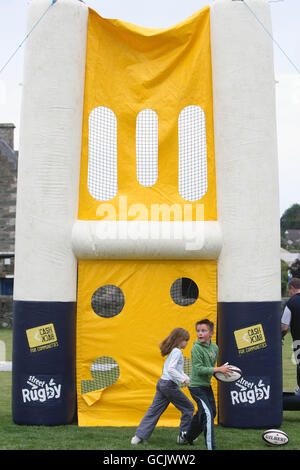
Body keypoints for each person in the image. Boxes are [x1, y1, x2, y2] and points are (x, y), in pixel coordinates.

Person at [131, 327, 195, 445]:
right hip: (169, 385)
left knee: (154, 411)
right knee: (189, 408)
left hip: (162, 383)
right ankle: (184, 437)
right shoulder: (177, 352)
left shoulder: (173, 351)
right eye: (186, 340)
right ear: (180, 339)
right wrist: (184, 380)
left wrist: (188, 379)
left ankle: (138, 437)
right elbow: (171, 369)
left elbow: (177, 370)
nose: (187, 343)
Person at [178, 319, 232, 450]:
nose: (200, 333)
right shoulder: (196, 348)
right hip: (196, 387)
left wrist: (221, 372)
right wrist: (218, 369)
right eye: (198, 331)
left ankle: (187, 437)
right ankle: (210, 447)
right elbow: (199, 369)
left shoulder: (215, 347)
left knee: (210, 412)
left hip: (206, 386)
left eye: (203, 331)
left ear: (211, 333)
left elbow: (210, 368)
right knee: (207, 415)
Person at [281, 277, 300, 395]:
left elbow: (284, 327)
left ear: (292, 288)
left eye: (289, 291)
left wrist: (280, 337)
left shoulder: (291, 303)